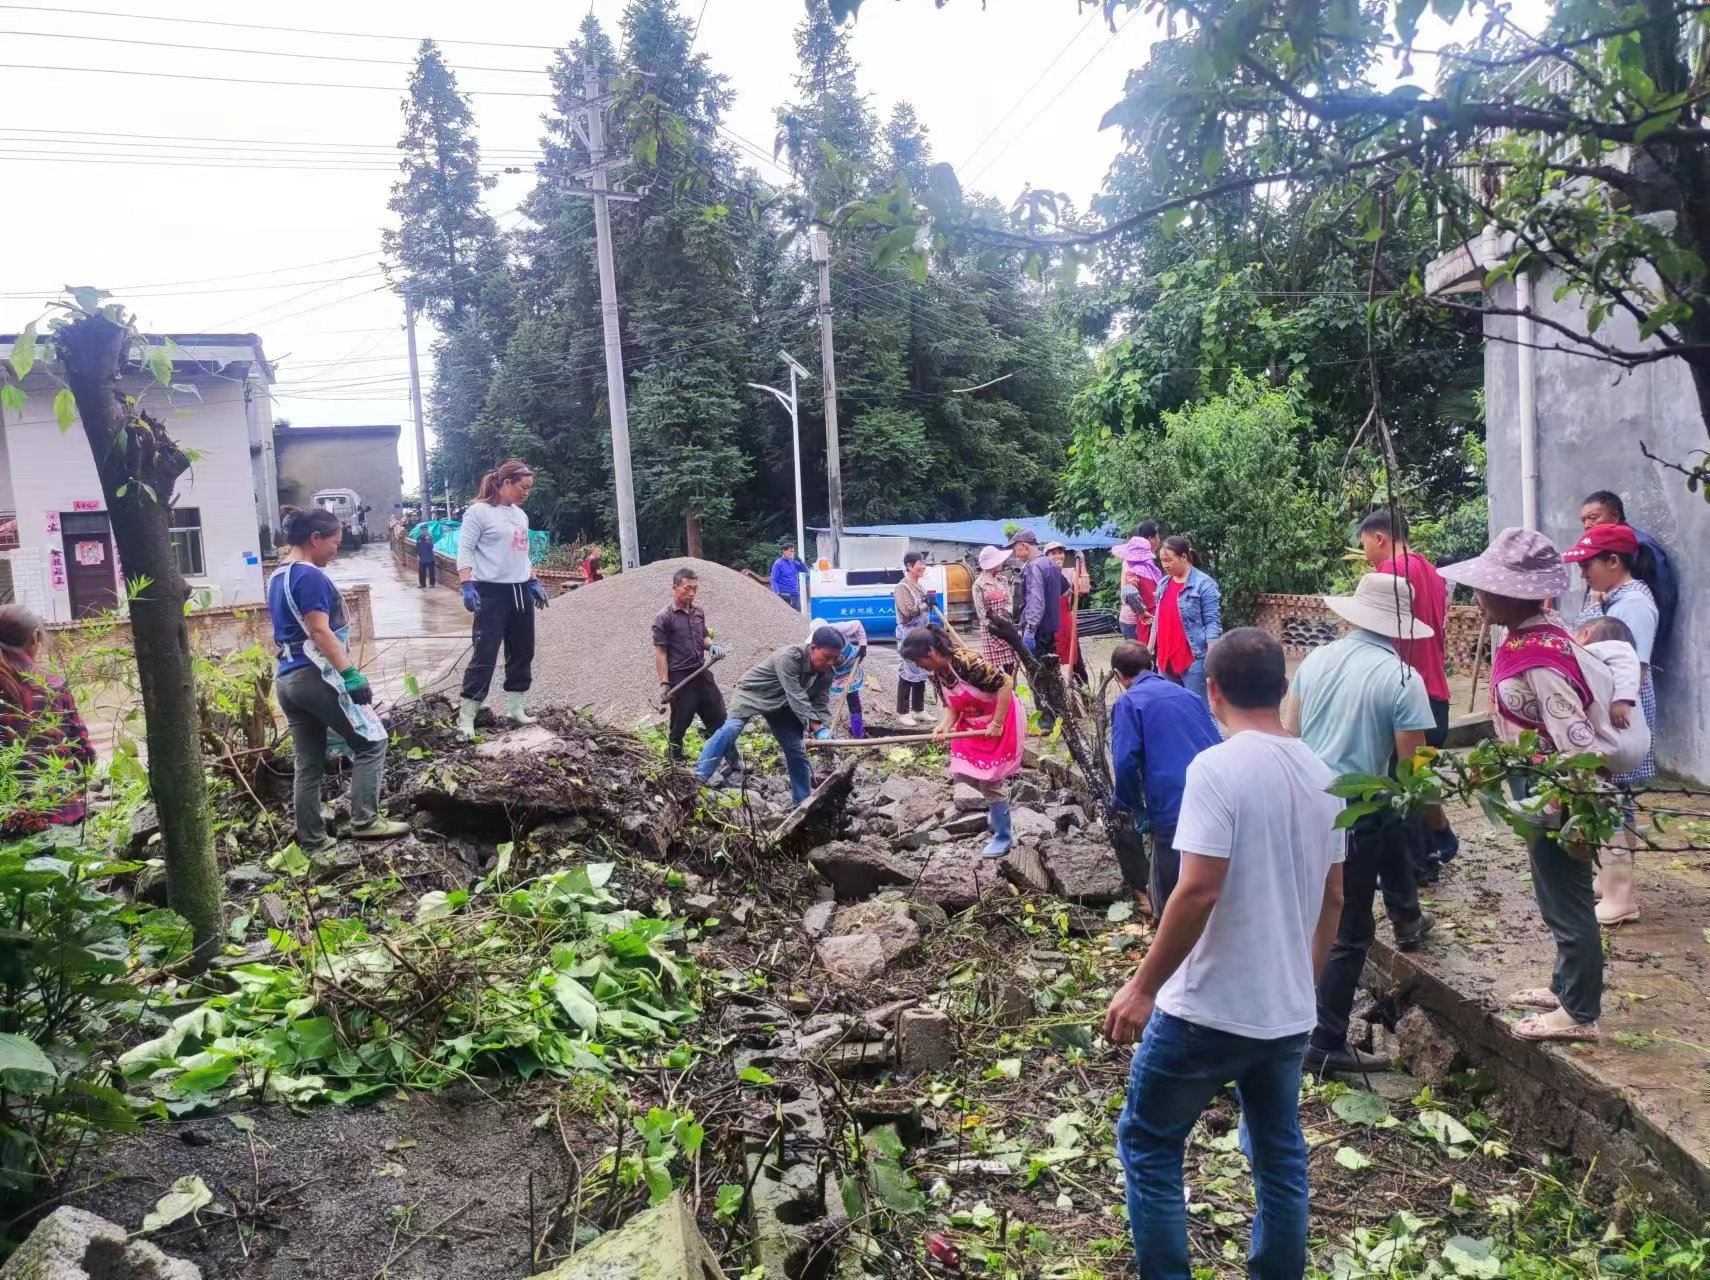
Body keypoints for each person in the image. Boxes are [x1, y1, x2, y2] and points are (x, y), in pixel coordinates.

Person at [1105, 629, 1345, 1280]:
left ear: (1211, 691)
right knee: (1279, 1156)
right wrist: (1302, 981)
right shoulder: (1326, 777)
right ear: (1284, 688)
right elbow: (1334, 900)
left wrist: (1143, 987)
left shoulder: (1215, 767)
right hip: (1286, 1013)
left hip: (1206, 1011)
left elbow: (1199, 888)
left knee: (1150, 1143)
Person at [1440, 528, 1606, 1042]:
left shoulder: (1542, 656)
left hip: (1560, 795)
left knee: (1568, 898)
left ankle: (1579, 1013)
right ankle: (1564, 984)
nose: (1477, 597)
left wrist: (1565, 810)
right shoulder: (1533, 636)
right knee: (1552, 891)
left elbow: (1578, 744)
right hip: (1538, 786)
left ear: (1512, 594)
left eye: (1485, 588)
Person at [1286, 573, 1440, 1075]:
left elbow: (1289, 733)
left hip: (1303, 801)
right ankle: (1324, 1040)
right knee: (1350, 928)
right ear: (1400, 627)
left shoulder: (1314, 660)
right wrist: (1435, 818)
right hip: (1354, 810)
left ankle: (1290, 1017)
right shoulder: (1401, 679)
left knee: (1306, 915)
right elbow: (1411, 768)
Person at [269, 509, 409, 851]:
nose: (336, 550)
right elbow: (319, 630)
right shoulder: (310, 576)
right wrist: (350, 673)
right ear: (316, 539)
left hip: (287, 681)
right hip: (316, 676)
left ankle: (313, 841)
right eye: (335, 542)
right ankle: (366, 821)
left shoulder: (276, 576)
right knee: (371, 741)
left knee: (309, 762)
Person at [1564, 521, 1659, 926]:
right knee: (1604, 800)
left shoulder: (1633, 604)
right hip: (1610, 718)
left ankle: (1622, 895)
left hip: (1620, 718)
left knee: (1616, 803)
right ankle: (1608, 881)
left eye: (1588, 565)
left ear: (1614, 561)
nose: (1583, 574)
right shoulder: (1607, 598)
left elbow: (1625, 665)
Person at [1358, 509, 1459, 879]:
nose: (1366, 552)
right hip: (1435, 693)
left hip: (1407, 694)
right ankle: (1436, 845)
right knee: (1418, 777)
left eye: (1365, 544)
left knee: (1400, 786)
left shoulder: (1391, 574)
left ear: (1380, 538)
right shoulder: (1430, 570)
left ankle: (1417, 867)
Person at [1109, 641, 1222, 914]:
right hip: (1214, 794)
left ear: (1117, 675)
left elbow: (1124, 762)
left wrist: (1129, 806)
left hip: (1171, 803)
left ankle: (1169, 940)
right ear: (1150, 664)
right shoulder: (1188, 696)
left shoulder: (1128, 702)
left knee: (1171, 894)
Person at [901, 623, 1024, 857]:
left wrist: (996, 724)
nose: (919, 666)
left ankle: (1003, 835)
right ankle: (995, 807)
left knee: (990, 782)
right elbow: (952, 706)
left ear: (932, 652)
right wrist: (944, 726)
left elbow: (1006, 683)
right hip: (972, 724)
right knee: (964, 774)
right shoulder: (937, 674)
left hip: (1000, 719)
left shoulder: (968, 663)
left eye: (919, 661)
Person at [693, 628, 843, 806]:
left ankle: (802, 803)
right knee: (731, 729)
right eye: (827, 657)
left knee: (796, 749)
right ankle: (696, 779)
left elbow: (820, 702)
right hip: (754, 693)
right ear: (813, 648)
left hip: (783, 705)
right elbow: (796, 695)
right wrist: (817, 727)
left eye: (835, 658)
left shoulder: (828, 671)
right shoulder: (789, 658)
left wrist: (826, 729)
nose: (831, 662)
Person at [456, 460, 551, 740]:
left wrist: (532, 579)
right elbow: (465, 550)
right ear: (506, 483)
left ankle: (516, 708)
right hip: (490, 592)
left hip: (519, 590)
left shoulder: (520, 516)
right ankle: (467, 716)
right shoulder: (479, 513)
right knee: (485, 653)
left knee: (522, 650)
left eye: (529, 489)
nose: (526, 493)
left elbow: (522, 553)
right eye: (523, 487)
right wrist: (466, 583)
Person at [0, 604, 94, 842]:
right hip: (57, 815)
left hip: (6, 817)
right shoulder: (51, 687)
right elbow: (82, 752)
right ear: (34, 637)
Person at [1580, 490, 1676, 660]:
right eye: (1584, 520)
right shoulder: (1598, 548)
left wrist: (1651, 645)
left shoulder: (1640, 547)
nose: (1587, 525)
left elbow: (1662, 596)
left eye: (1593, 518)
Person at [653, 566, 731, 766]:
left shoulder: (698, 612)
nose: (692, 593)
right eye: (687, 588)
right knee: (681, 721)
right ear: (675, 588)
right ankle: (675, 760)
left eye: (695, 588)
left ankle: (732, 759)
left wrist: (711, 645)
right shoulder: (664, 617)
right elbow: (660, 652)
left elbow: (704, 636)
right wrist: (664, 682)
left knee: (719, 715)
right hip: (680, 677)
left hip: (701, 672)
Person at [1573, 615, 1651, 777]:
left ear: (1586, 634)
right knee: (1599, 784)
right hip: (1632, 747)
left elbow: (1627, 657)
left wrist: (1622, 699)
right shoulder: (1606, 672)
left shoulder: (1609, 649)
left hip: (1609, 746)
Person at [1151, 536, 1221, 701]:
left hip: (1193, 658)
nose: (1165, 565)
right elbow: (1158, 619)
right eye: (1162, 560)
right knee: (1174, 708)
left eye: (1169, 560)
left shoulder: (1204, 584)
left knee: (1199, 709)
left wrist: (1211, 660)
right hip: (1165, 658)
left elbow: (1212, 622)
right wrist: (1149, 649)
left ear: (1184, 557)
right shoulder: (1163, 584)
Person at [1008, 529, 1064, 659]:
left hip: (1038, 630)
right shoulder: (1050, 563)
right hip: (1051, 627)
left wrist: (1030, 631)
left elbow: (1036, 601)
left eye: (1016, 550)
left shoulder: (1034, 566)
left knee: (1039, 671)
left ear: (1025, 546)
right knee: (1050, 668)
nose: (1016, 554)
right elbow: (1063, 588)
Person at [893, 551, 935, 726]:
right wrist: (926, 604)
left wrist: (930, 605)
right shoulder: (902, 587)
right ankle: (903, 712)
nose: (923, 566)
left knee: (921, 671)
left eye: (924, 563)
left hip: (921, 635)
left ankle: (918, 710)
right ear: (909, 566)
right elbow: (908, 610)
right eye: (920, 563)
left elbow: (924, 609)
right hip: (908, 636)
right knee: (908, 672)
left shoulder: (919, 586)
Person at [1046, 541, 1092, 682]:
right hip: (1048, 625)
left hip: (1066, 623)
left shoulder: (1069, 572)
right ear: (1045, 556)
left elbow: (1084, 589)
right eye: (1053, 553)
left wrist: (1082, 564)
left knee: (1077, 664)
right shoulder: (1042, 574)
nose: (1058, 555)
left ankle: (1086, 696)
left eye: (1060, 552)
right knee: (1051, 665)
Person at [816, 617, 869, 739]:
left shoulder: (839, 627)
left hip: (851, 665)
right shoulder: (812, 641)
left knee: (853, 700)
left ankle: (858, 734)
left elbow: (857, 624)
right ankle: (824, 732)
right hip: (833, 671)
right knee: (821, 698)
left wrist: (863, 645)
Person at [1111, 523, 1164, 642]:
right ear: (1150, 539)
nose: (1159, 540)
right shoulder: (1135, 567)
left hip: (1141, 619)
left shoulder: (1144, 566)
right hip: (1136, 621)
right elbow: (1129, 592)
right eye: (1157, 536)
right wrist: (1141, 611)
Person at [970, 545, 1018, 673]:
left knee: (1010, 666)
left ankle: (1011, 691)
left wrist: (1007, 615)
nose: (1002, 562)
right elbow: (981, 613)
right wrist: (994, 627)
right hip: (990, 630)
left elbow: (1009, 600)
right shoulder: (978, 585)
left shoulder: (1002, 580)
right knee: (993, 670)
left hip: (1006, 626)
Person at [769, 543, 805, 612]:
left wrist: (800, 561)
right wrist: (777, 594)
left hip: (795, 594)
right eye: (790, 551)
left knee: (798, 616)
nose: (792, 553)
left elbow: (804, 570)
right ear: (784, 551)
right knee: (786, 616)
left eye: (793, 551)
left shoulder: (794, 562)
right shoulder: (778, 563)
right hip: (784, 594)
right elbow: (773, 579)